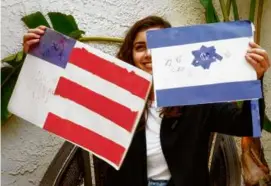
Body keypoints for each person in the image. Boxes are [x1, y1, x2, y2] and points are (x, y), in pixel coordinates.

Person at [23, 16, 270, 186]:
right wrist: (38, 55)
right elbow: (56, 98)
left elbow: (248, 125)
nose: (149, 54)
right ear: (130, 54)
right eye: (140, 47)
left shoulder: (197, 99)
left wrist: (255, 80)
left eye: (157, 46)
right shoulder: (112, 96)